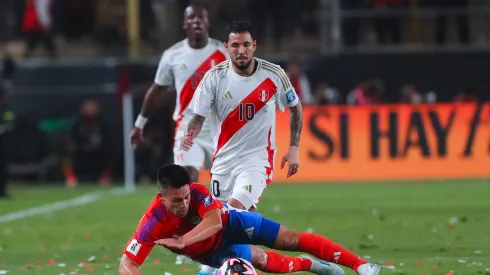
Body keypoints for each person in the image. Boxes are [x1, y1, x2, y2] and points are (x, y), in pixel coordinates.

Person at [119, 164, 382, 275]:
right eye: (177, 201)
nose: (185, 203)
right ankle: (310, 265)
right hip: (212, 252)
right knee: (265, 262)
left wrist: (183, 241)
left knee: (289, 238)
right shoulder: (152, 224)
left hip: (231, 222)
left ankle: (361, 266)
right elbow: (127, 263)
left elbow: (214, 222)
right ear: (161, 198)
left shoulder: (198, 192)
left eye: (186, 197)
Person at [182, 20, 302, 212]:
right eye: (235, 45)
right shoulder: (214, 78)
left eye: (246, 44)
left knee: (236, 212)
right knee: (226, 225)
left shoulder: (273, 75)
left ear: (254, 45)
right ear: (226, 48)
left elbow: (295, 108)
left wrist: (294, 148)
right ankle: (258, 242)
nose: (241, 51)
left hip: (257, 160)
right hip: (223, 162)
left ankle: (289, 241)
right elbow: (198, 118)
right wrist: (189, 134)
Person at [130, 5, 228, 183]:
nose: (196, 21)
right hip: (188, 127)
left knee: (223, 188)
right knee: (186, 181)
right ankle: (194, 209)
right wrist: (139, 124)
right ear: (184, 24)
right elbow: (157, 90)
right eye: (191, 18)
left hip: (219, 127)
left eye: (201, 18)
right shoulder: (172, 55)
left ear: (208, 23)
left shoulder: (224, 53)